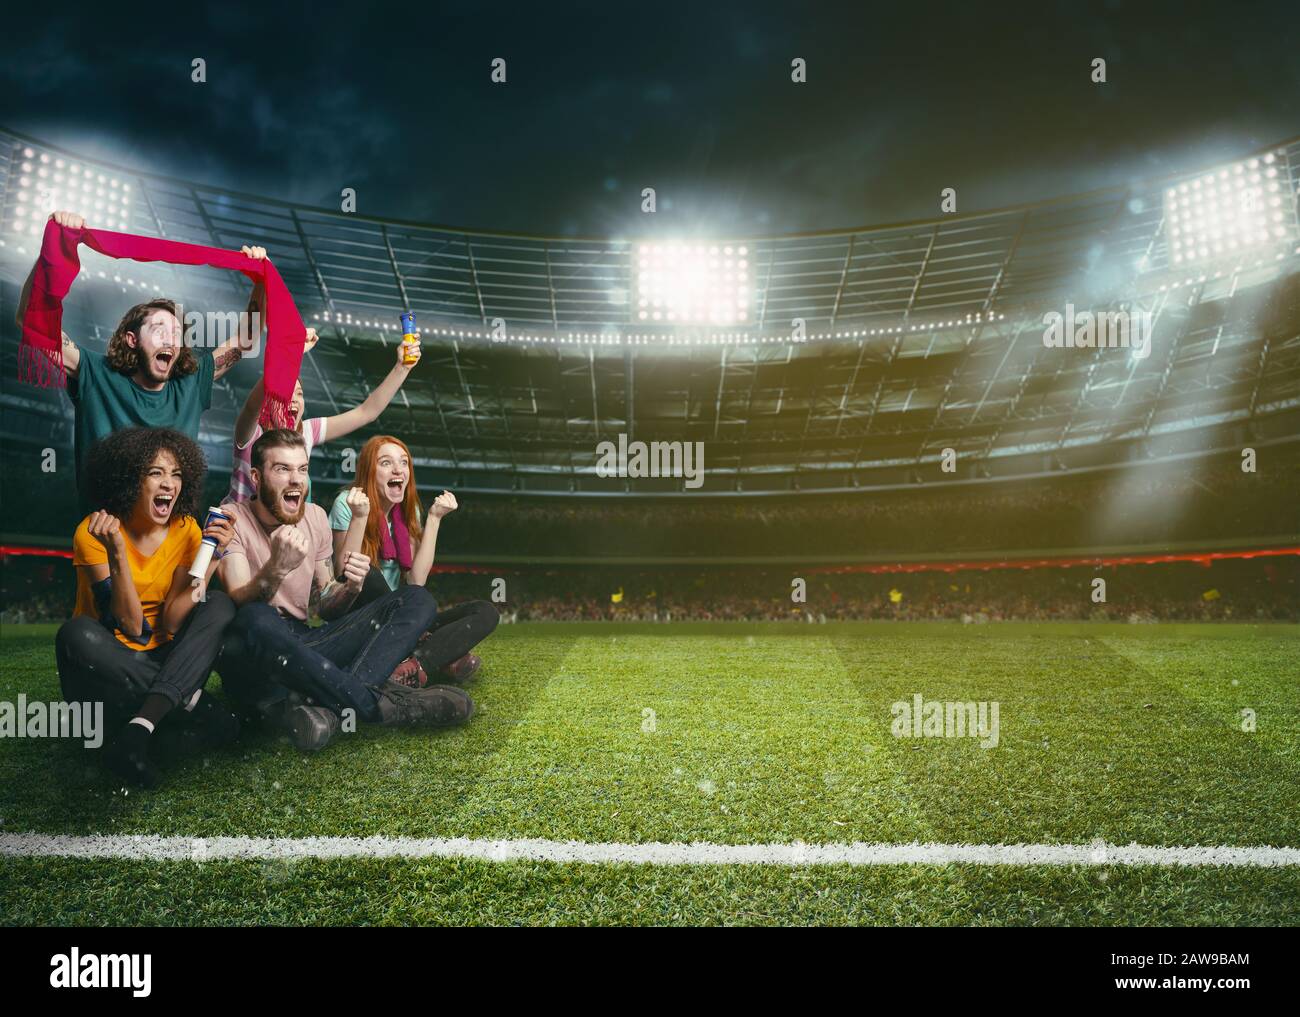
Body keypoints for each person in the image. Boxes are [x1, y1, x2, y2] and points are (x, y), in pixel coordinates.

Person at [215, 429, 473, 752]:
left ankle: (328, 709)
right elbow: (238, 600)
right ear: (256, 477)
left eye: (302, 469)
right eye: (282, 469)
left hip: (305, 643)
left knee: (418, 599)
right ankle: (383, 706)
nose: (296, 480)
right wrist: (276, 568)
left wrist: (350, 588)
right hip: (258, 652)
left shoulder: (315, 516)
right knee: (255, 617)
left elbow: (325, 606)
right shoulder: (231, 519)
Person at [15, 211, 270, 506]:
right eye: (159, 329)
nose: (170, 338)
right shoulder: (97, 374)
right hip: (104, 536)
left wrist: (261, 280)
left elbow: (245, 340)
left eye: (176, 333)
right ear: (132, 339)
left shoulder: (189, 382)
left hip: (172, 538)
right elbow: (31, 322)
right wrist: (50, 252)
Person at [55, 427, 240, 788]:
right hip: (107, 672)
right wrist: (118, 553)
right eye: (155, 473)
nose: (169, 484)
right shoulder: (93, 533)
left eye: (176, 474)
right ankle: (184, 703)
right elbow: (130, 625)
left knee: (217, 602)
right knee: (75, 633)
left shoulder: (186, 529)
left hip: (160, 659)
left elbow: (171, 620)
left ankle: (139, 731)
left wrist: (213, 556)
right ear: (128, 480)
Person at [331, 435, 497, 686]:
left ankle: (416, 664)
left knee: (486, 612)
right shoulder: (347, 503)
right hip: (363, 617)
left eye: (404, 462)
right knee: (368, 572)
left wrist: (434, 519)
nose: (398, 469)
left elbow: (416, 580)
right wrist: (359, 516)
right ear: (368, 470)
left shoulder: (410, 510)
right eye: (386, 463)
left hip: (403, 618)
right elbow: (346, 572)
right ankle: (442, 658)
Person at [225, 330, 420, 503]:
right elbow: (251, 408)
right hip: (237, 534)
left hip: (283, 535)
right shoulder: (250, 436)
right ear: (267, 401)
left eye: (300, 394)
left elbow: (366, 412)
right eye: (285, 393)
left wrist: (402, 367)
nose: (295, 400)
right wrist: (291, 354)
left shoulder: (307, 432)